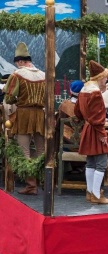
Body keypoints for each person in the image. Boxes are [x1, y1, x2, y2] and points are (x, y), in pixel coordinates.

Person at [3, 42, 45, 195]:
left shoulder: (17, 75)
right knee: (41, 150)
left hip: (24, 115)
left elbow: (8, 98)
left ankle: (31, 185)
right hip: (41, 115)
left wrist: (16, 101)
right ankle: (46, 183)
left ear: (20, 61)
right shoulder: (43, 75)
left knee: (24, 150)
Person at [74, 60, 108, 204]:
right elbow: (97, 118)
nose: (106, 80)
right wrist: (102, 133)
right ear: (99, 77)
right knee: (102, 163)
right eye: (104, 77)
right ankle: (97, 195)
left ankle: (90, 192)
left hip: (87, 128)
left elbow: (77, 112)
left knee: (90, 162)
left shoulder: (84, 90)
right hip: (95, 130)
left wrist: (85, 120)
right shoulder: (95, 93)